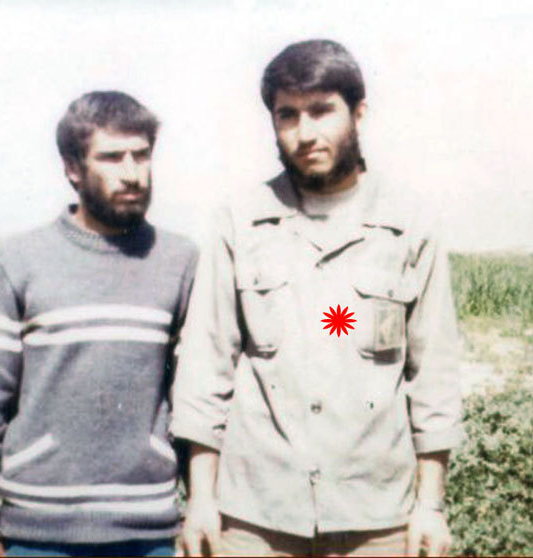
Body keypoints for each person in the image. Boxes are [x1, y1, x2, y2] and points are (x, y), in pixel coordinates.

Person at [171, 39, 465, 557]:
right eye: (287, 115)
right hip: (255, 519)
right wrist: (201, 501)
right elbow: (205, 368)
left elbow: (434, 377)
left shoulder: (410, 223)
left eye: (322, 111)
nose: (305, 133)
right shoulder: (239, 220)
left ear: (358, 113)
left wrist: (431, 506)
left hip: (377, 519)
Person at [0, 91, 198, 557]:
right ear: (72, 168)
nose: (132, 173)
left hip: (147, 533)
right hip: (36, 531)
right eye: (111, 157)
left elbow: (196, 401)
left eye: (142, 155)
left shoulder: (181, 261)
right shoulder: (18, 260)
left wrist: (203, 506)